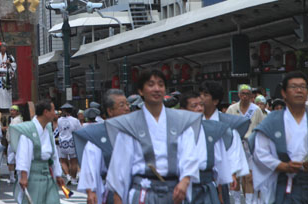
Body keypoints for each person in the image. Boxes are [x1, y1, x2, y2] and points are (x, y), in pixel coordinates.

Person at [106, 69, 202, 204]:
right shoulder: (130, 124)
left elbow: (189, 155)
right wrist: (118, 197)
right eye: (151, 84)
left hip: (175, 190)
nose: (157, 89)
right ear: (140, 91)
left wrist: (185, 181)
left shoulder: (181, 121)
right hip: (143, 191)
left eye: (161, 84)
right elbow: (120, 164)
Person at [250, 71, 308, 204]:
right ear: (284, 93)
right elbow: (260, 153)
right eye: (294, 87)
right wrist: (283, 166)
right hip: (285, 183)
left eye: (303, 87)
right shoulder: (272, 121)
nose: (299, 90)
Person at [74, 89, 130, 204]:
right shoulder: (98, 135)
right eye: (122, 105)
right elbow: (90, 165)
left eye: (127, 104)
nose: (127, 108)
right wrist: (91, 191)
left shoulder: (134, 131)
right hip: (111, 191)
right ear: (110, 111)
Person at [199, 80, 251, 204]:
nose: (200, 98)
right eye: (200, 94)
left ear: (216, 101)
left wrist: (231, 173)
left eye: (205, 95)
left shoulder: (227, 126)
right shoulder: (193, 121)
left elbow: (233, 150)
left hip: (218, 180)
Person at [180, 92, 234, 204]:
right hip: (183, 185)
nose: (199, 108)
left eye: (201, 105)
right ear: (183, 110)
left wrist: (220, 192)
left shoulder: (212, 130)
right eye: (194, 106)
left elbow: (219, 164)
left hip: (207, 183)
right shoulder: (176, 132)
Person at [10, 100, 66, 204]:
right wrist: (23, 176)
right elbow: (23, 155)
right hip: (33, 176)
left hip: (48, 175)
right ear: (46, 112)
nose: (55, 113)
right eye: (53, 110)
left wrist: (58, 174)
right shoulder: (28, 130)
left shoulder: (48, 129)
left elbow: (54, 155)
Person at [226, 84, 266, 204]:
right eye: (242, 94)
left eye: (247, 94)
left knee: (249, 177)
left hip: (251, 146)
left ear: (251, 96)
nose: (245, 96)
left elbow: (262, 127)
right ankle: (237, 201)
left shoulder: (256, 110)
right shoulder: (232, 109)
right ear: (238, 95)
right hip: (235, 145)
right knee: (236, 176)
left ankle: (249, 201)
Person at [57, 103, 82, 185]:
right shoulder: (75, 120)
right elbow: (79, 131)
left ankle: (67, 176)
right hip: (72, 141)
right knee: (73, 161)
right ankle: (74, 179)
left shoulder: (59, 120)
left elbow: (59, 130)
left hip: (62, 142)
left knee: (63, 160)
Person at [4, 105, 23, 183]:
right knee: (11, 160)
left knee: (16, 160)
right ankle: (12, 177)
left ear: (17, 112)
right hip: (12, 142)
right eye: (11, 110)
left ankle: (17, 177)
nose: (12, 112)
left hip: (15, 142)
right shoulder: (14, 119)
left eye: (13, 110)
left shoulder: (17, 120)